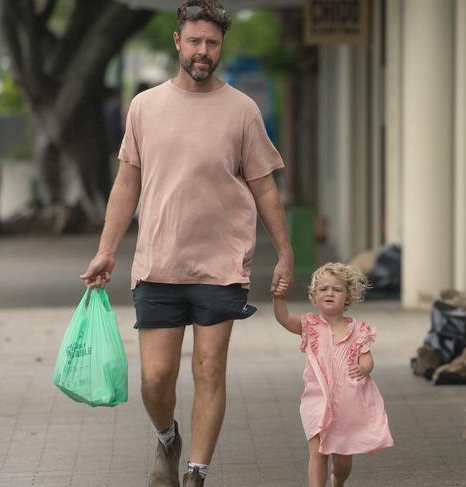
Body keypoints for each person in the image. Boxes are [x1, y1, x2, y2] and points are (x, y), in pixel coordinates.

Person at [80, 1, 294, 486]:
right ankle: (166, 437)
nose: (203, 51)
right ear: (178, 41)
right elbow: (127, 183)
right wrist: (107, 248)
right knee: (155, 378)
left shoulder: (242, 109)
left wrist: (285, 252)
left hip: (222, 264)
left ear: (221, 47)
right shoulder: (145, 106)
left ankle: (196, 472)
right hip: (158, 262)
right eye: (195, 41)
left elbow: (263, 185)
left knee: (209, 370)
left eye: (212, 43)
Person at [272, 263, 393, 487]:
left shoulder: (358, 330)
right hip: (316, 400)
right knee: (318, 453)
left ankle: (338, 479)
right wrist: (278, 299)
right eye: (323, 289)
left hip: (348, 404)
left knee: (343, 460)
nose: (330, 293)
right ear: (314, 296)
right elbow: (284, 319)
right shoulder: (309, 325)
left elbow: (366, 356)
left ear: (348, 297)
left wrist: (365, 367)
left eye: (337, 290)